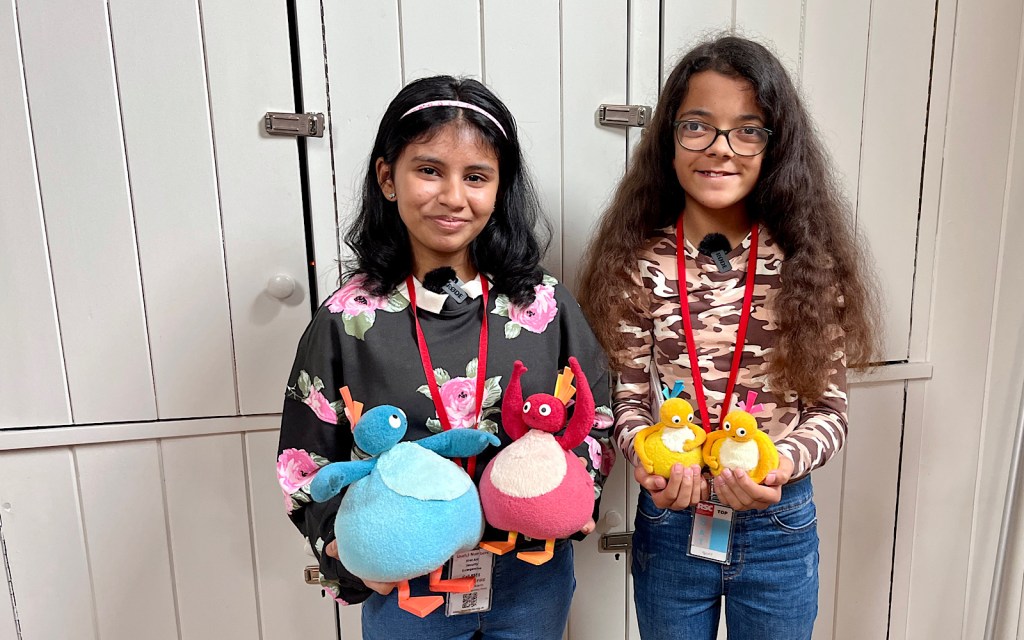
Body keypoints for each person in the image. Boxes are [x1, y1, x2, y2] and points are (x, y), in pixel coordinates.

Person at [277, 75, 613, 640]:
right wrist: (345, 552)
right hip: (408, 588)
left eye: (476, 177)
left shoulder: (543, 304)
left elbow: (595, 415)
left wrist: (577, 495)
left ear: (499, 189)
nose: (453, 196)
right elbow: (304, 461)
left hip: (531, 578)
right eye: (429, 169)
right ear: (388, 178)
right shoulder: (347, 320)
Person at [578, 36, 881, 639]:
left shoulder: (807, 262)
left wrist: (780, 464)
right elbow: (630, 405)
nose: (720, 149)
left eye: (748, 130)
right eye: (698, 126)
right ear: (669, 138)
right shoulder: (638, 264)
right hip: (672, 523)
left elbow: (829, 411)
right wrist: (652, 463)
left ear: (776, 146)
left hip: (779, 529)